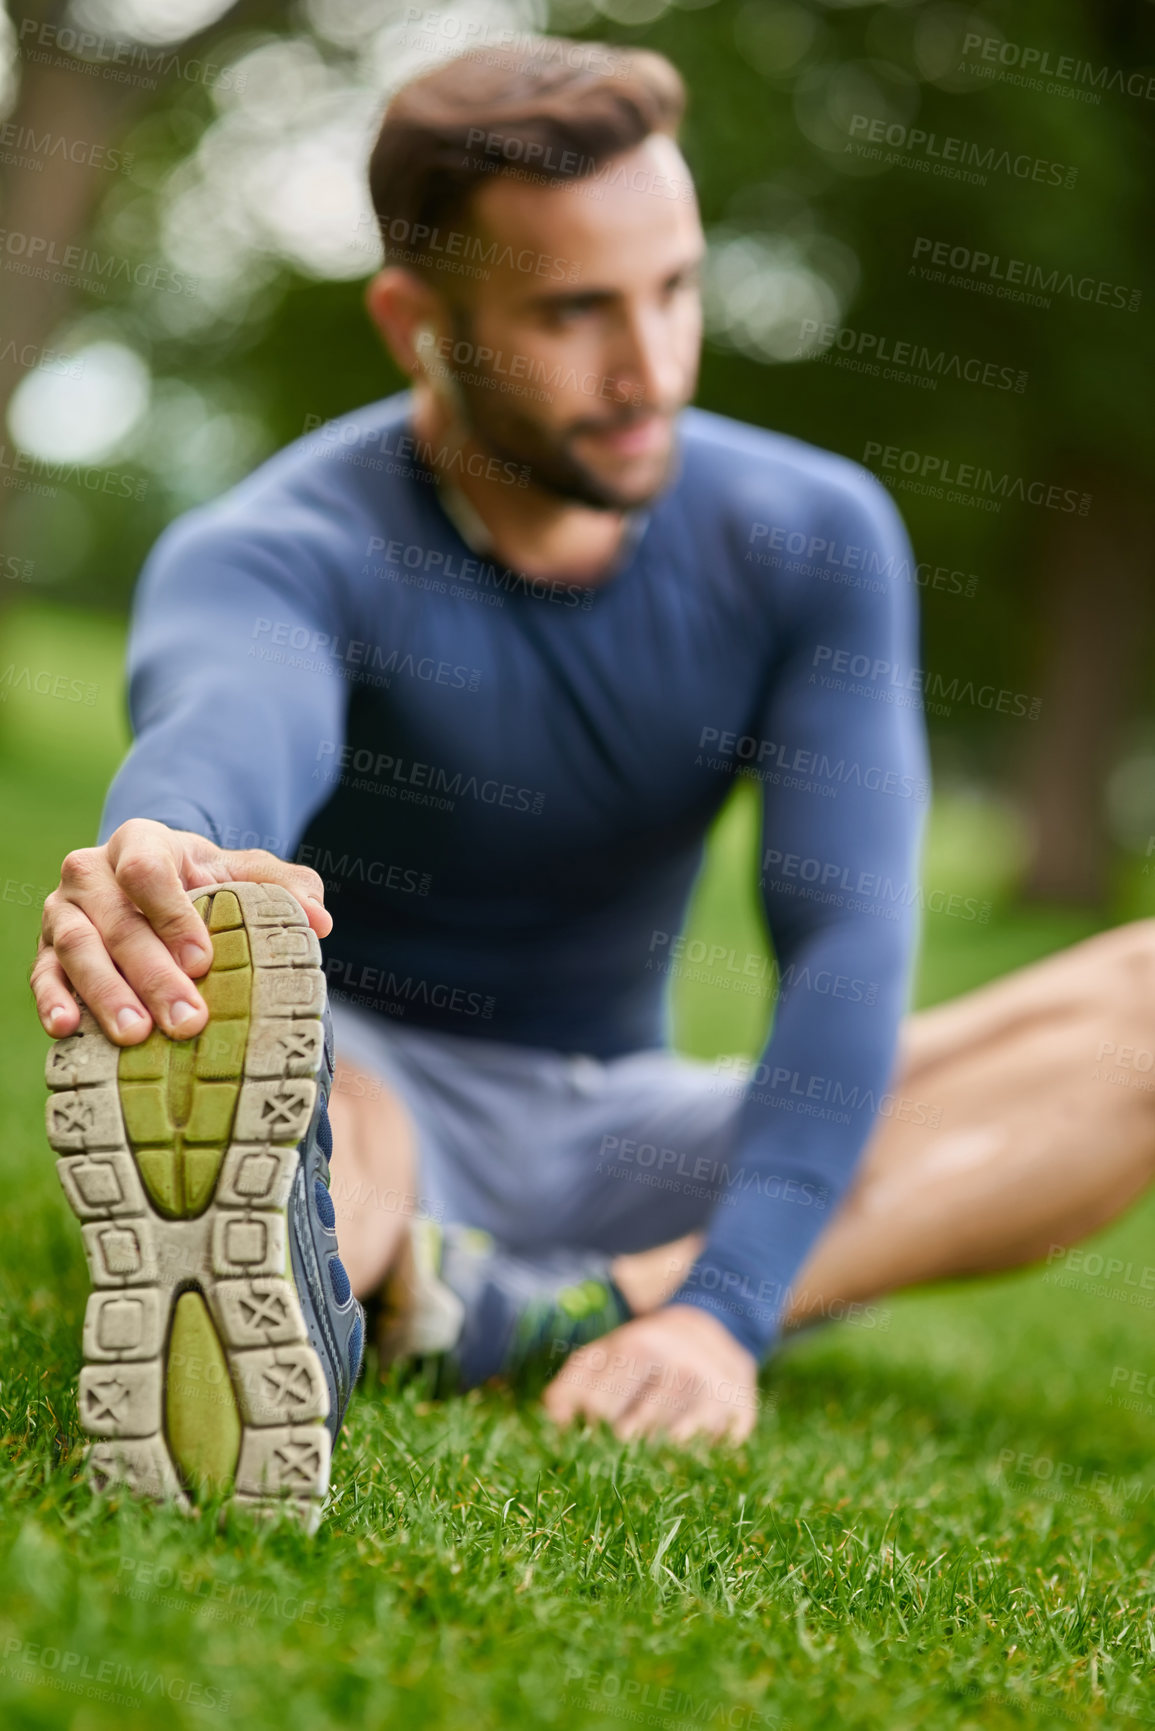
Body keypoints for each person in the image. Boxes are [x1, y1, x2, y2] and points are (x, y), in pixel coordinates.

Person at [33, 41, 1155, 1507]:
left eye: (676, 286)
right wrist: (162, 857)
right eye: (575, 310)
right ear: (415, 324)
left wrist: (724, 1307)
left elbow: (848, 954)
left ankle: (544, 1305)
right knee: (306, 1101)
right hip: (372, 1082)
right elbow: (229, 729)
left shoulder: (813, 536)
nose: (653, 366)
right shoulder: (279, 550)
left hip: (639, 1131)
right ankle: (302, 1265)